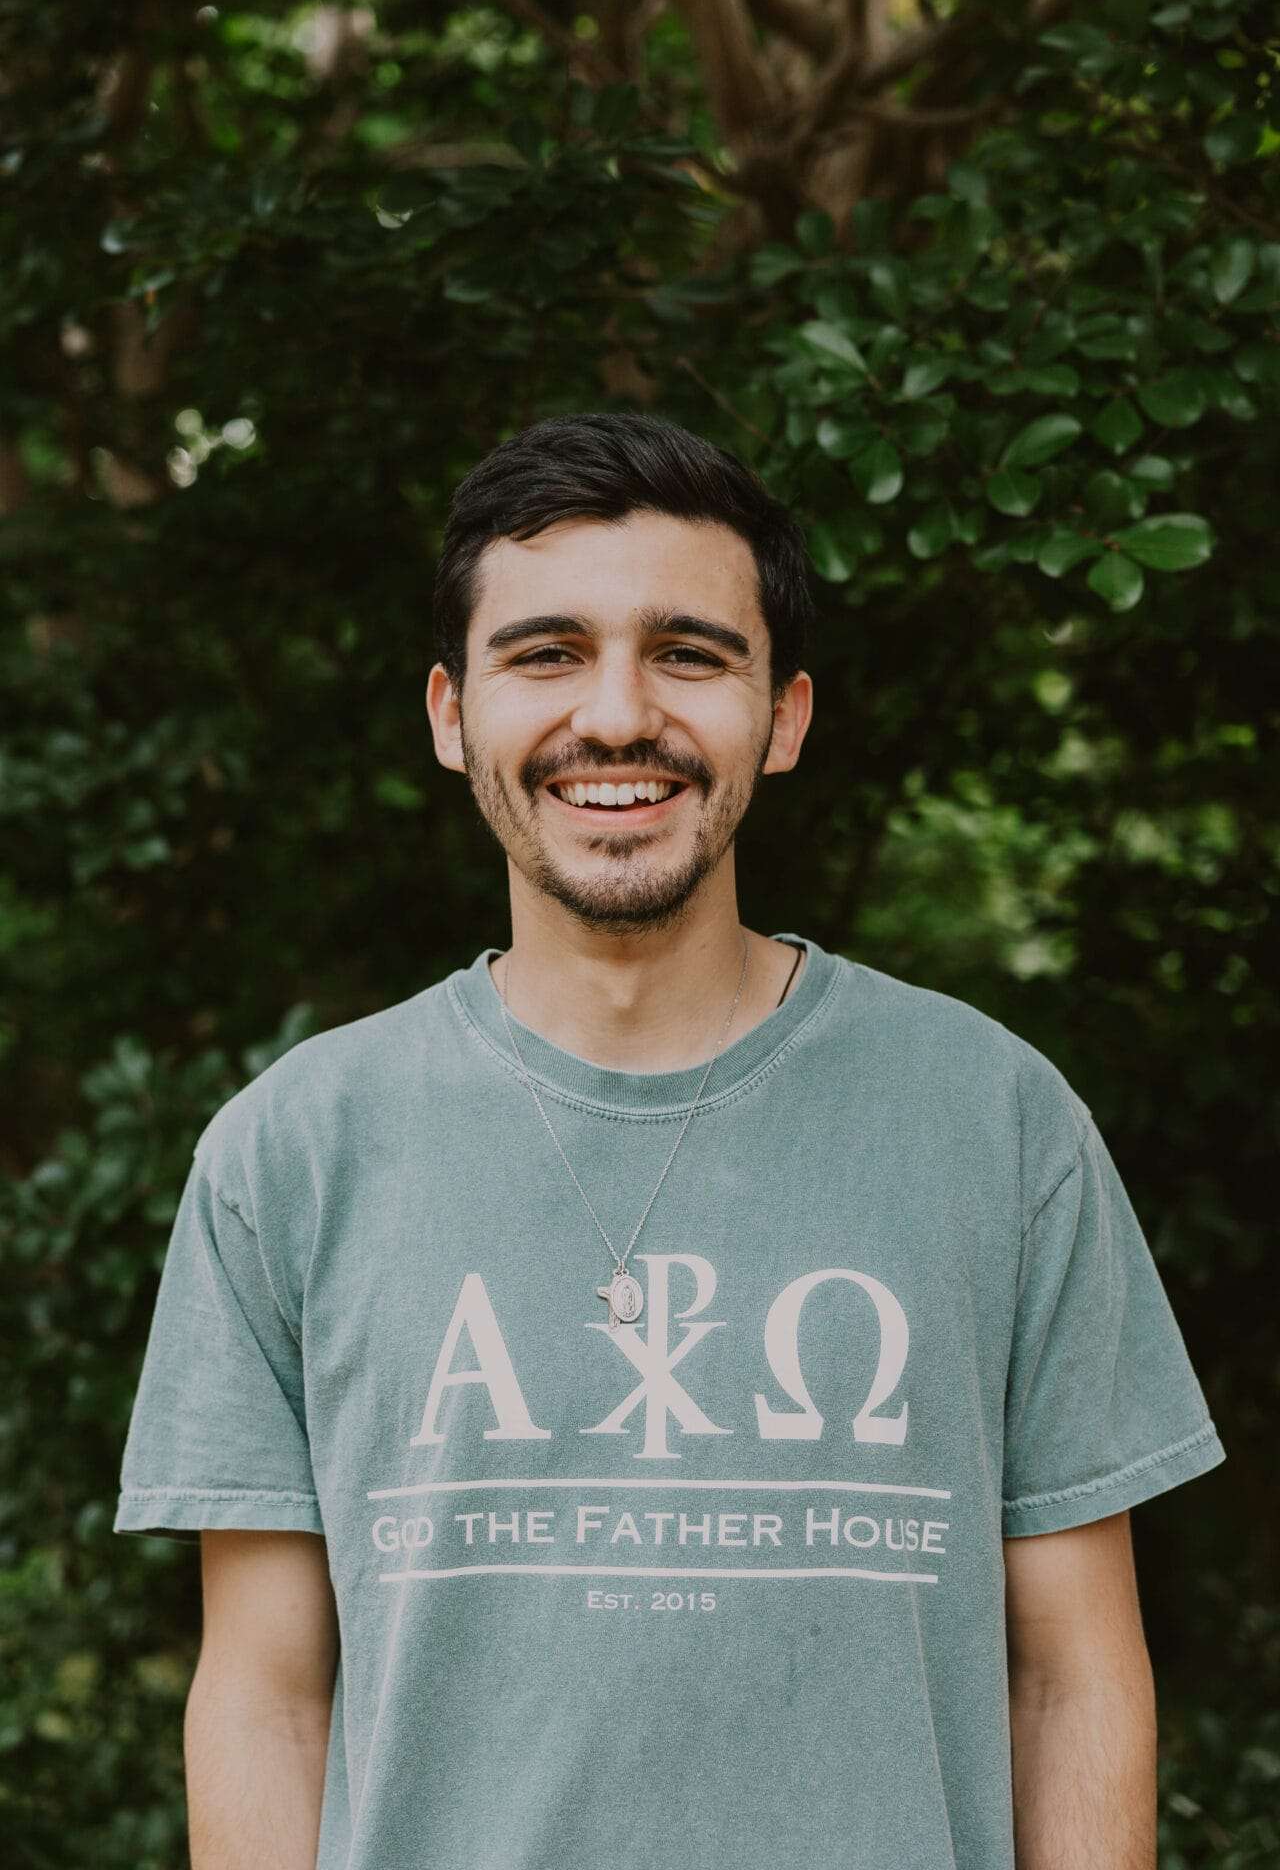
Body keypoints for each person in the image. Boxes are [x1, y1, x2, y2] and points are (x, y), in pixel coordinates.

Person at [114, 411, 1225, 1870]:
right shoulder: (292, 1155)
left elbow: (1069, 1673)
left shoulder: (997, 1120)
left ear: (787, 714)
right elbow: (267, 1696)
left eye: (691, 654)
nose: (620, 714)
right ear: (452, 715)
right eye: (548, 653)